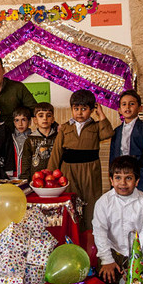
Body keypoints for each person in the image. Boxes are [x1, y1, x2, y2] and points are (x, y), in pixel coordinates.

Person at [48, 89, 114, 230]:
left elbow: (108, 133)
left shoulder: (96, 127)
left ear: (91, 110)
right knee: (71, 202)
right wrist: (51, 175)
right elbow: (57, 152)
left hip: (90, 170)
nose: (79, 112)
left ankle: (91, 233)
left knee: (91, 201)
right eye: (76, 108)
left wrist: (101, 114)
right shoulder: (65, 128)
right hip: (69, 171)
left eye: (84, 109)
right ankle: (73, 233)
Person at [92, 155, 143, 284]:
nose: (123, 183)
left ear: (137, 181)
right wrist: (107, 260)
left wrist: (137, 261)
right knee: (106, 280)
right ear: (111, 180)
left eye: (129, 178)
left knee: (142, 281)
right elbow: (99, 232)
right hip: (114, 252)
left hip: (139, 252)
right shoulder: (103, 202)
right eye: (118, 178)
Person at [109, 89, 143, 194]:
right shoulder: (117, 131)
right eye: (124, 104)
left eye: (132, 104)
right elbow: (113, 155)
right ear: (119, 110)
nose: (127, 107)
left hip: (139, 171)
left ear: (140, 108)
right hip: (120, 171)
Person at [21, 101, 57, 181]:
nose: (45, 118)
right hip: (35, 181)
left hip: (55, 180)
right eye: (41, 116)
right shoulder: (29, 140)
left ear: (53, 119)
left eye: (48, 115)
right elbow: (26, 163)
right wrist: (24, 181)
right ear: (35, 120)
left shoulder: (58, 138)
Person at [11, 106, 32, 177]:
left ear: (30, 122)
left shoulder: (33, 138)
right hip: (12, 177)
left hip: (29, 176)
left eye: (23, 120)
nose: (20, 124)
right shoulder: (10, 138)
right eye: (17, 120)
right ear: (14, 122)